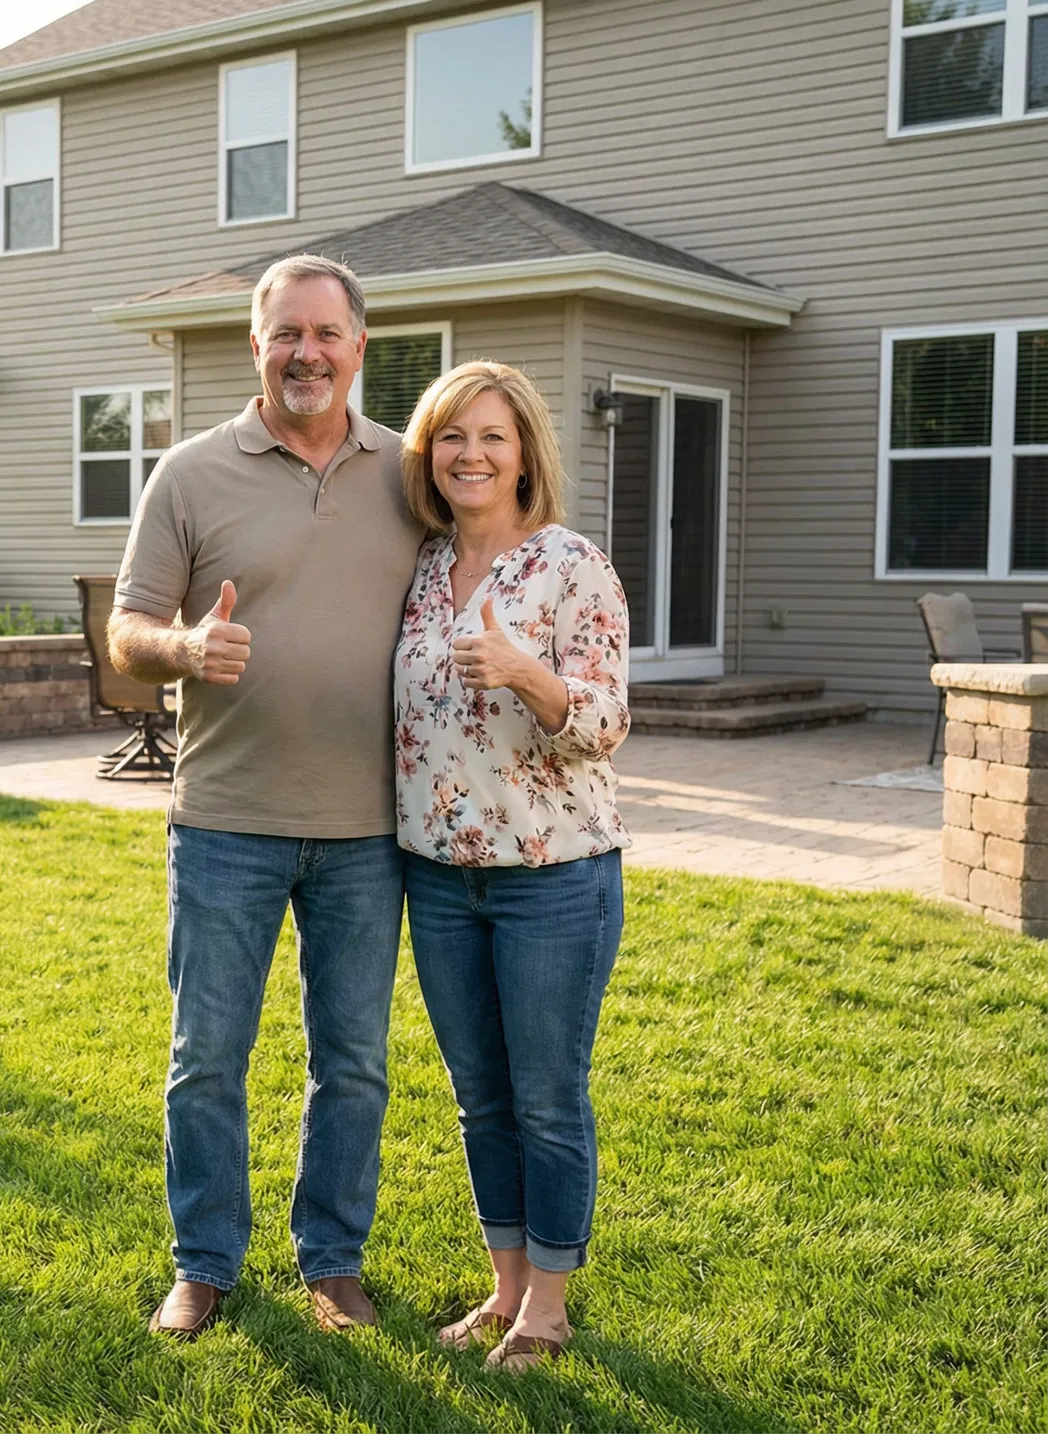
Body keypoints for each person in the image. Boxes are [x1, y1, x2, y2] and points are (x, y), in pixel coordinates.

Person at [108, 255, 425, 1338]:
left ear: (358, 347)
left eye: (327, 334)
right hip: (227, 821)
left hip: (370, 832)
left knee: (355, 1063)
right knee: (206, 1059)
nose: (306, 353)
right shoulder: (191, 475)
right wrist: (186, 645)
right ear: (256, 345)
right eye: (286, 333)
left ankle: (332, 1262)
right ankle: (204, 1263)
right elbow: (126, 633)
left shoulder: (411, 473)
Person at [391, 360, 631, 1371]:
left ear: (525, 449)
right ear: (429, 455)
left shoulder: (573, 565)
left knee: (546, 1097)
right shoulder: (421, 570)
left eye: (491, 436)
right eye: (451, 437)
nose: (471, 455)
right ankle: (504, 1289)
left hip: (553, 880)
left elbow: (610, 721)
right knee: (480, 1097)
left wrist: (529, 674)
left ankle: (551, 1307)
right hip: (440, 879)